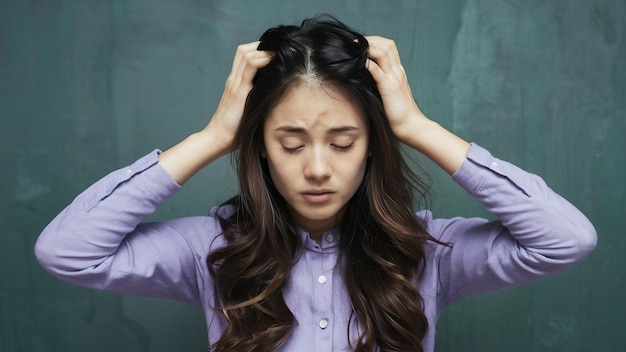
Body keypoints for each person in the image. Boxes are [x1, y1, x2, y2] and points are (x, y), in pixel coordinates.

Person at [35, 16, 597, 352]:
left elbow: (566, 240)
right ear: (259, 144)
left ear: (373, 144)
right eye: (293, 143)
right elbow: (66, 252)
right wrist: (211, 137)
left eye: (344, 142)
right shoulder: (210, 250)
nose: (319, 168)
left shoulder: (428, 252)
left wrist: (416, 128)